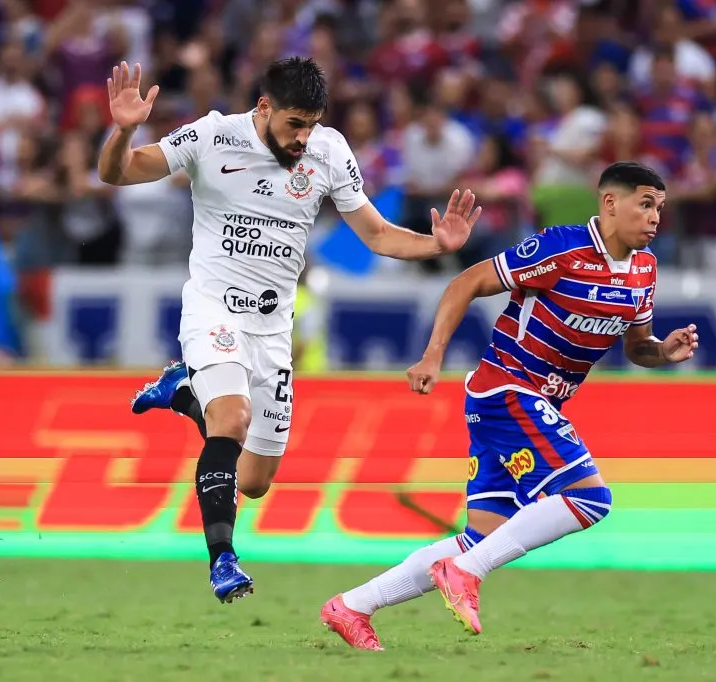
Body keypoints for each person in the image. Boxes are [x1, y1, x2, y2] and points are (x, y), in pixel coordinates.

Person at [98, 58, 481, 604]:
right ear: (264, 107)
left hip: (273, 330)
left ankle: (182, 391)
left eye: (312, 124)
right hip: (214, 311)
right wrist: (124, 129)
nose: (303, 137)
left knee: (253, 479)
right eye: (294, 124)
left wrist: (434, 244)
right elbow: (118, 172)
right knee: (230, 419)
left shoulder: (329, 151)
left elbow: (375, 234)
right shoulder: (211, 136)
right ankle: (222, 560)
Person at [320, 162, 699, 650]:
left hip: (528, 402)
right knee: (589, 498)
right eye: (645, 204)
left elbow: (637, 345)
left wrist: (662, 352)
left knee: (480, 538)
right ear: (610, 203)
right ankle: (465, 574)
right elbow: (466, 283)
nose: (654, 218)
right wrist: (433, 356)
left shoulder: (645, 269)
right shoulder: (561, 248)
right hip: (507, 390)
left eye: (660, 208)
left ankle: (352, 606)